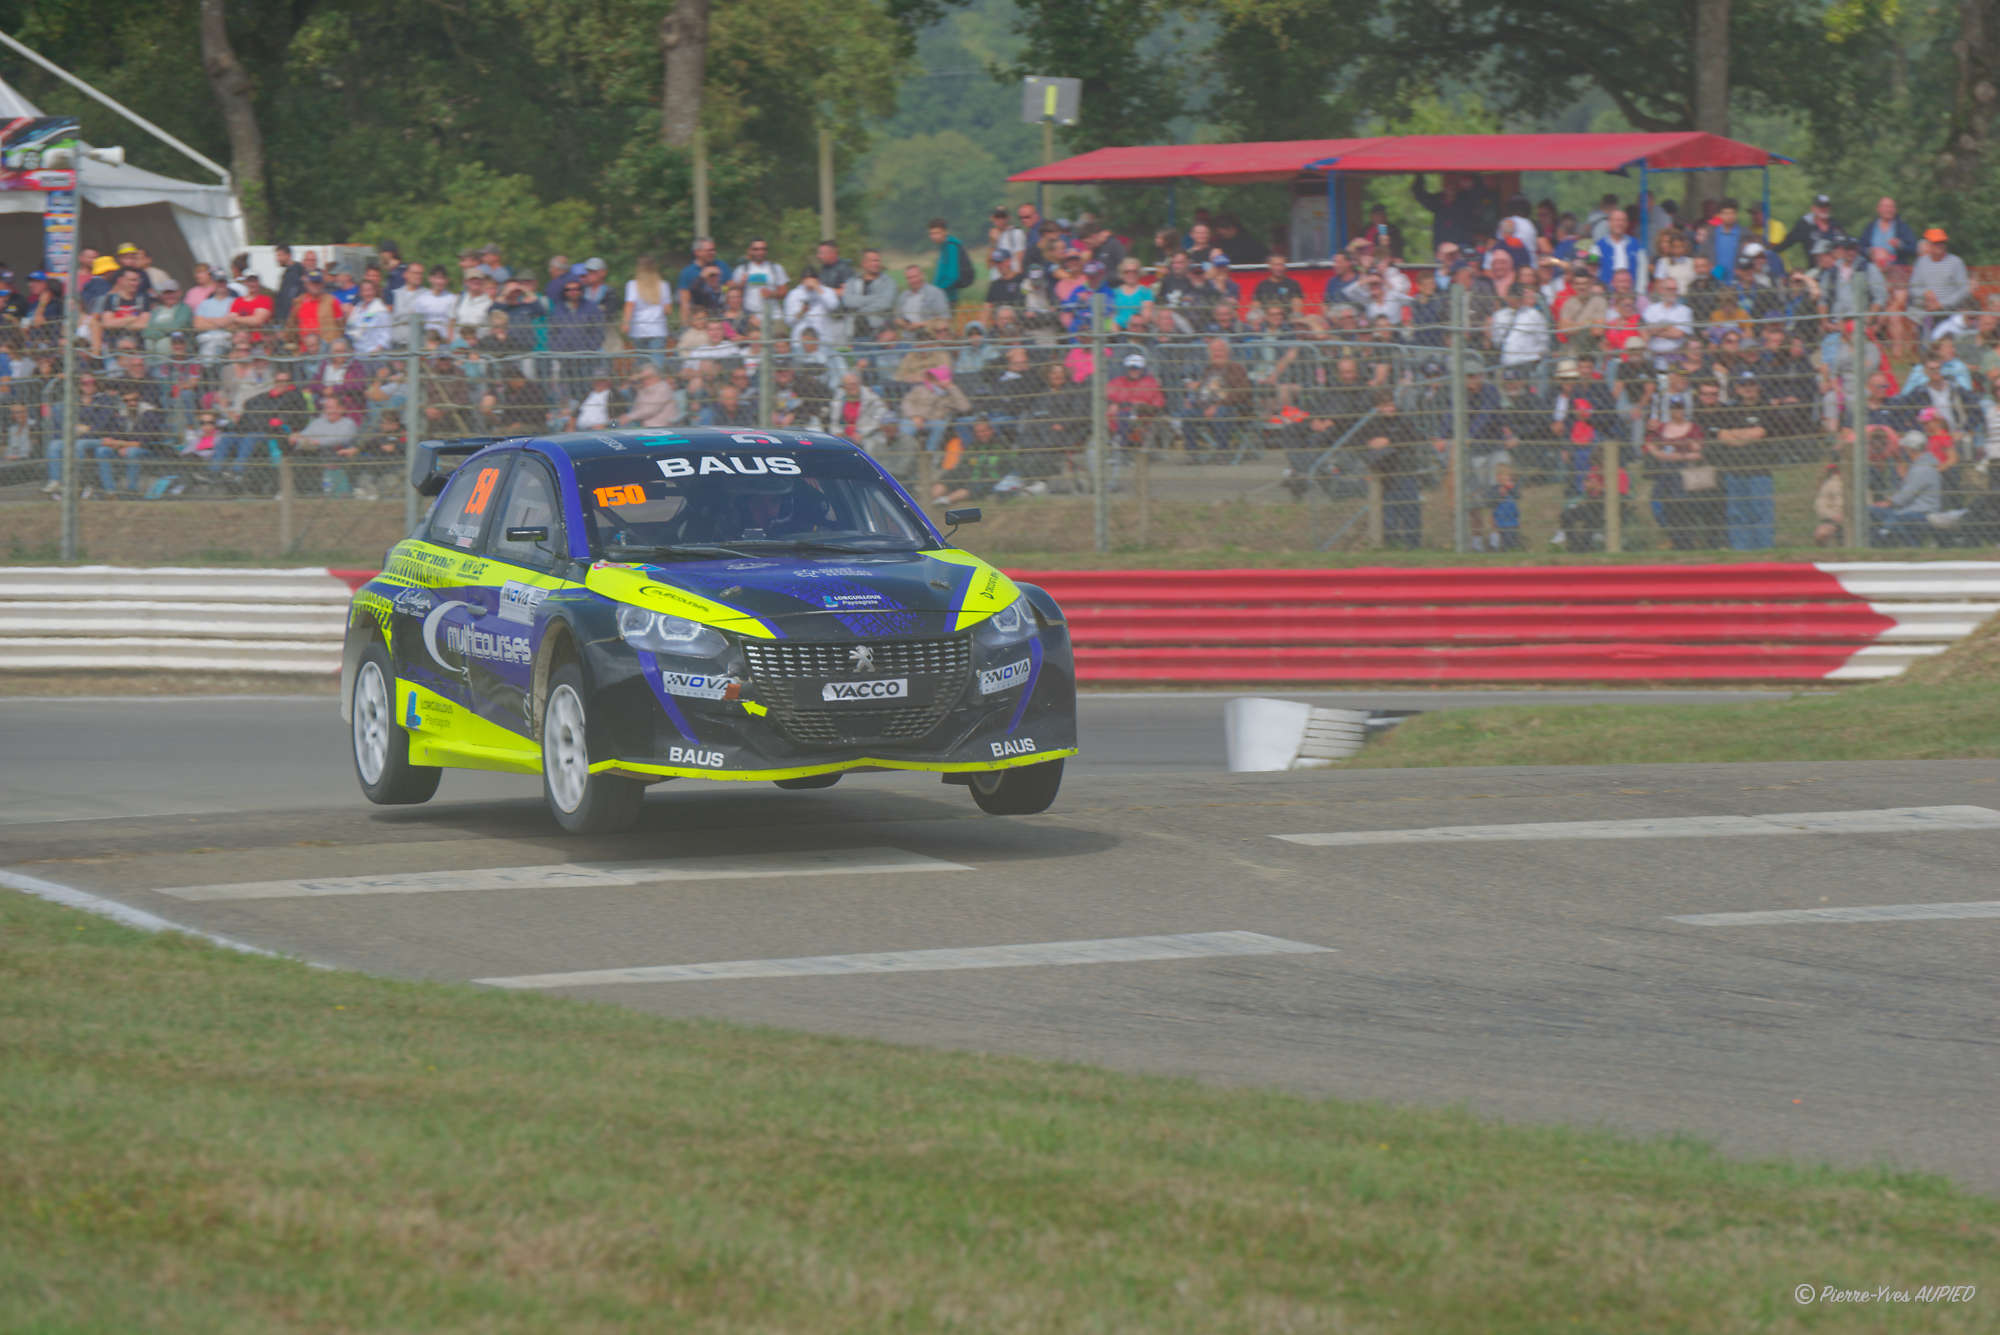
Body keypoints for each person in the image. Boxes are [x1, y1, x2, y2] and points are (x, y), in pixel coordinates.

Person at [1363, 390, 1425, 548]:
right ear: (1378, 407)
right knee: (1390, 509)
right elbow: (1368, 442)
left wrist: (1389, 440)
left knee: (1410, 506)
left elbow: (1415, 436)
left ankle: (1413, 543)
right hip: (1386, 471)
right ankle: (1392, 543)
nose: (1390, 408)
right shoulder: (1373, 422)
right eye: (1385, 406)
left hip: (1404, 469)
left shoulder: (1403, 419)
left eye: (1391, 404)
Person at [622, 254, 672, 367]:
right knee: (657, 365)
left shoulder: (632, 285)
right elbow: (668, 310)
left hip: (639, 330)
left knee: (642, 364)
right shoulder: (663, 285)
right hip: (658, 329)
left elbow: (629, 306)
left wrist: (625, 323)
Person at [928, 218, 976, 303]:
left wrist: (936, 291)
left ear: (945, 232)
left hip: (948, 299)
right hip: (941, 297)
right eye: (931, 233)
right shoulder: (944, 247)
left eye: (937, 233)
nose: (934, 236)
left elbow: (953, 276)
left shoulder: (951, 247)